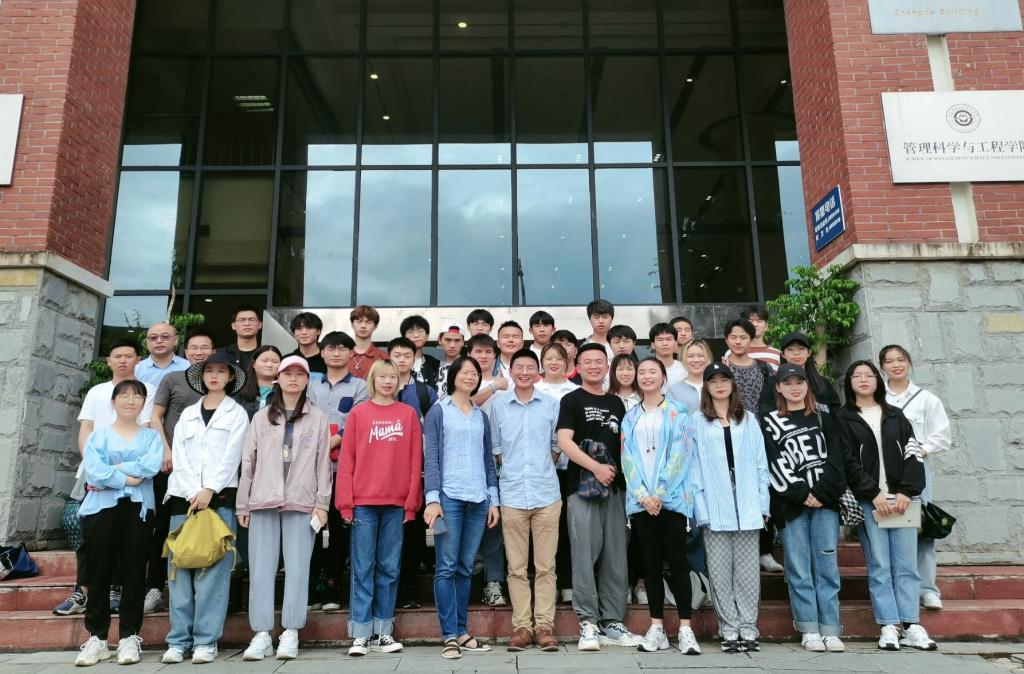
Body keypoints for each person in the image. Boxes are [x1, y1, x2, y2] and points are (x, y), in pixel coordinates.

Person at [236, 356, 332, 662]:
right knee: (261, 569)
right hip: (263, 499)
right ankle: (262, 633)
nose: (293, 378)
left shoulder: (318, 418)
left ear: (307, 380)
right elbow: (248, 463)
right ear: (278, 378)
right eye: (287, 373)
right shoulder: (261, 417)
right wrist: (243, 503)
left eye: (299, 374)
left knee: (298, 568)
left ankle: (291, 631)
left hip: (302, 501)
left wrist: (322, 503)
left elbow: (323, 463)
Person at [835, 360, 935, 652]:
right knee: (879, 565)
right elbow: (847, 461)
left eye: (869, 375)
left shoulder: (895, 415)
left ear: (878, 381)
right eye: (857, 375)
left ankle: (911, 624)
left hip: (902, 500)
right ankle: (889, 625)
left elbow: (912, 453)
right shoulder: (843, 418)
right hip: (871, 502)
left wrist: (907, 491)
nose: (864, 379)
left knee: (906, 565)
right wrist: (872, 492)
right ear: (849, 382)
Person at [56, 340, 155, 618]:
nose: (123, 360)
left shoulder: (145, 391)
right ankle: (82, 590)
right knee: (86, 532)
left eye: (128, 356)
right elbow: (86, 429)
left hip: (128, 475)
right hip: (93, 473)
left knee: (123, 534)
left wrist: (115, 470)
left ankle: (115, 587)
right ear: (108, 361)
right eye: (117, 356)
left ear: (138, 360)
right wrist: (94, 465)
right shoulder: (97, 391)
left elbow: (144, 430)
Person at [161, 352, 249, 665]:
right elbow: (180, 456)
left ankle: (205, 641)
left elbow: (233, 456)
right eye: (209, 371)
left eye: (221, 371)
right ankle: (178, 641)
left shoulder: (237, 414)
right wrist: (192, 492)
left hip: (219, 500)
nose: (214, 376)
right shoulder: (188, 414)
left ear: (230, 377)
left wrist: (210, 489)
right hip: (183, 501)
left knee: (213, 575)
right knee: (179, 572)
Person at [73, 380, 163, 667]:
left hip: (138, 510)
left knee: (134, 572)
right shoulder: (98, 437)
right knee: (99, 572)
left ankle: (128, 637)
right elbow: (94, 473)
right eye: (123, 395)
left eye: (137, 396)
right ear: (113, 402)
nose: (130, 400)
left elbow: (150, 466)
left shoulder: (151, 438)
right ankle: (97, 638)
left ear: (144, 403)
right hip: (101, 509)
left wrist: (114, 470)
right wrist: (127, 477)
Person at [337, 359, 423, 657]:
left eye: (393, 377)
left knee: (389, 568)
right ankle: (361, 633)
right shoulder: (359, 413)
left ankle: (384, 630)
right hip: (363, 503)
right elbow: (346, 461)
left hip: (396, 504)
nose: (387, 381)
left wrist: (411, 503)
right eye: (382, 376)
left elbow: (415, 461)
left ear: (399, 381)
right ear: (372, 380)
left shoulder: (408, 414)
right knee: (362, 568)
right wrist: (345, 503)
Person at [557, 342, 640, 651]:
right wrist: (596, 467)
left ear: (607, 367)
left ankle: (612, 621)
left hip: (616, 489)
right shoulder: (571, 399)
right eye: (587, 361)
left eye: (599, 361)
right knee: (584, 554)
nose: (594, 366)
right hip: (582, 488)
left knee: (616, 555)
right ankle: (588, 622)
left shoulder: (617, 403)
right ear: (578, 366)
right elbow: (564, 441)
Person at [761, 363, 847, 653]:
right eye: (788, 383)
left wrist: (821, 493)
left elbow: (837, 458)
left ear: (807, 385)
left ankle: (831, 629)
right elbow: (774, 462)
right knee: (799, 568)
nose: (794, 388)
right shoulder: (770, 421)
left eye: (799, 382)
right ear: (779, 388)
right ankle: (809, 628)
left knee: (827, 567)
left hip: (825, 503)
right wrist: (802, 494)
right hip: (792, 505)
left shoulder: (823, 417)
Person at [621, 358, 701, 655]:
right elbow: (627, 457)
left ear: (663, 377)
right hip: (641, 502)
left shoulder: (679, 412)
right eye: (641, 372)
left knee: (678, 562)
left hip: (673, 499)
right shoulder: (630, 416)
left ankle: (686, 628)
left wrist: (660, 493)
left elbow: (682, 453)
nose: (646, 376)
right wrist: (643, 495)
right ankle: (656, 627)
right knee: (650, 562)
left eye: (652, 371)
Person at [423, 357, 500, 660]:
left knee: (466, 567)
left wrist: (493, 500)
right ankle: (449, 635)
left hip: (478, 499)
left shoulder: (481, 416)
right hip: (449, 499)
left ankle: (462, 630)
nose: (470, 377)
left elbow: (488, 461)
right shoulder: (438, 411)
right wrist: (432, 499)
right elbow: (431, 458)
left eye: (475, 373)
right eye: (465, 372)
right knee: (446, 566)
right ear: (453, 376)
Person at [689, 363, 769, 653]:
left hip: (747, 501)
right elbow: (694, 468)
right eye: (713, 381)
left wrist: (763, 503)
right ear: (706, 387)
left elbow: (761, 463)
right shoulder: (697, 421)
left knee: (747, 573)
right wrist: (701, 509)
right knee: (720, 571)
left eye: (725, 379)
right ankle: (729, 628)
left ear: (733, 384)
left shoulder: (747, 418)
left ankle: (748, 627)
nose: (720, 385)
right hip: (715, 502)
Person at [488, 349, 562, 653]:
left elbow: (557, 445)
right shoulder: (499, 405)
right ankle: (522, 628)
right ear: (511, 371)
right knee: (516, 567)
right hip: (513, 494)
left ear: (538, 371)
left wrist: (542, 468)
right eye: (519, 367)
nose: (524, 372)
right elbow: (496, 449)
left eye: (530, 367)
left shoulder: (551, 404)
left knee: (546, 567)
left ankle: (544, 627)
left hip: (546, 494)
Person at [143, 329, 216, 615]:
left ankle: (199, 591)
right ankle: (154, 586)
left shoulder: (218, 381)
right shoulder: (173, 378)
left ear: (213, 352)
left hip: (207, 470)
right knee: (164, 526)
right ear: (186, 352)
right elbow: (156, 416)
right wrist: (165, 450)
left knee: (206, 525)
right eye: (194, 348)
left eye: (204, 347)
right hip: (172, 465)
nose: (199, 352)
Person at [879, 344, 951, 611]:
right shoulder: (877, 397)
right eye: (889, 361)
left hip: (916, 471)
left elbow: (942, 435)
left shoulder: (926, 399)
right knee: (889, 527)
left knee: (921, 529)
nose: (896, 365)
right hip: (884, 473)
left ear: (909, 362)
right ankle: (897, 588)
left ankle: (928, 589)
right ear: (882, 367)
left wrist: (919, 450)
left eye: (901, 359)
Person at [307, 331, 369, 612]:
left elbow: (358, 419)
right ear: (321, 352)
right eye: (330, 348)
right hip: (310, 470)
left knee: (340, 529)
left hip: (344, 469)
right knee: (310, 528)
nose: (335, 353)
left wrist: (331, 441)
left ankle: (333, 584)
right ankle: (312, 585)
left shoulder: (360, 386)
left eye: (342, 348)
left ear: (351, 353)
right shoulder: (310, 386)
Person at [723, 318, 782, 573]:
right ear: (726, 340)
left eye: (743, 337)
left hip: (761, 435)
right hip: (731, 435)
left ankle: (765, 550)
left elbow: (771, 402)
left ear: (751, 340)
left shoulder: (764, 368)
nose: (738, 341)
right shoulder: (722, 368)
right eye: (734, 337)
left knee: (763, 487)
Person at [389, 336, 438, 609]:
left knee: (413, 531)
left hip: (417, 472)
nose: (402, 360)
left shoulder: (424, 392)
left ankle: (408, 587)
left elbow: (434, 431)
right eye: (396, 355)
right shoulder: (378, 388)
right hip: (385, 473)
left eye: (407, 356)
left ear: (414, 359)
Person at [532, 342, 579, 604]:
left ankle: (568, 582)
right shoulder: (534, 390)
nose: (553, 363)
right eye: (548, 358)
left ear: (567, 362)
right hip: (540, 470)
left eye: (558, 359)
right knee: (542, 529)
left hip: (570, 469)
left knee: (567, 527)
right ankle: (544, 583)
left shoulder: (576, 391)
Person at [758, 332, 840, 416]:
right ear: (783, 354)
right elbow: (765, 412)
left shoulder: (822, 383)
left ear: (808, 353)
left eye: (801, 348)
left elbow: (835, 412)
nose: (796, 353)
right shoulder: (772, 383)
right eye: (790, 349)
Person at [724, 306, 781, 371]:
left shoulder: (776, 353)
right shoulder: (731, 352)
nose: (755, 324)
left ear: (766, 326)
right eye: (751, 321)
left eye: (759, 321)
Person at [134, 322, 189, 388]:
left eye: (165, 337)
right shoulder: (136, 369)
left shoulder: (188, 367)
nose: (159, 341)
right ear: (147, 342)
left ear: (175, 340)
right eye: (153, 338)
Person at [234, 345, 283, 418]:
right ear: (253, 363)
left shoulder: (285, 393)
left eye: (275, 362)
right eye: (264, 361)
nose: (269, 365)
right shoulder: (240, 391)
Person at [669, 339, 712, 413]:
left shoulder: (717, 386)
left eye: (701, 356)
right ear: (683, 359)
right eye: (690, 356)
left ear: (708, 358)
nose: (696, 360)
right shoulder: (673, 391)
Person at [467, 334, 509, 411]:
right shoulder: (463, 381)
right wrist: (494, 387)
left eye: (488, 352)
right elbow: (464, 405)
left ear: (494, 355)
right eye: (478, 351)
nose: (483, 356)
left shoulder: (504, 383)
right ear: (469, 354)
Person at [349, 305, 388, 380]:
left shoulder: (384, 358)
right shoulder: (342, 355)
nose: (363, 326)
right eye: (359, 321)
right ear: (352, 325)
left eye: (368, 322)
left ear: (375, 326)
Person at [219, 305, 262, 371]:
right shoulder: (221, 354)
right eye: (242, 320)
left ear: (260, 325)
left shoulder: (266, 353)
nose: (247, 324)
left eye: (251, 320)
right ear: (233, 325)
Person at [400, 315, 439, 386]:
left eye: (420, 331)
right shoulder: (396, 363)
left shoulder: (435, 364)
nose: (416, 335)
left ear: (427, 337)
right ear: (404, 338)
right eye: (411, 332)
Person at [289, 311, 326, 380]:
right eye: (299, 328)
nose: (304, 332)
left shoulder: (328, 359)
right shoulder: (288, 360)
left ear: (318, 331)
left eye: (309, 328)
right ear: (294, 333)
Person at [436, 322, 467, 397]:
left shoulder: (469, 366)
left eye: (457, 340)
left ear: (463, 342)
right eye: (448, 340)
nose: (452, 345)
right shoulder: (432, 366)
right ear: (439, 340)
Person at [650, 323, 685, 389]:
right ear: (653, 345)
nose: (665, 343)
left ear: (676, 344)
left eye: (669, 339)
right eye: (660, 340)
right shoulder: (644, 369)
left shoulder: (685, 369)